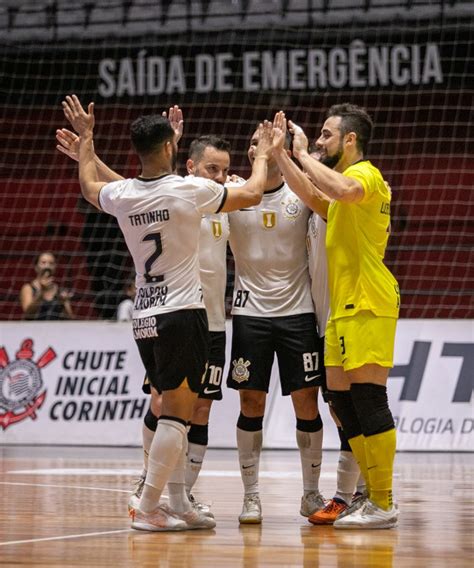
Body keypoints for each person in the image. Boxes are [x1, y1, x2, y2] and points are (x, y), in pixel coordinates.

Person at [63, 94, 273, 532]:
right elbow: (253, 192)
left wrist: (86, 140)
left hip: (143, 316)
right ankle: (149, 506)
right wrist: (265, 156)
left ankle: (174, 502)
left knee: (172, 406)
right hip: (182, 313)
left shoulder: (122, 194)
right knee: (179, 411)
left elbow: (88, 186)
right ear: (172, 150)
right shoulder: (188, 189)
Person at [57, 126, 232, 515]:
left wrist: (90, 157)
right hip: (181, 313)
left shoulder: (210, 196)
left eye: (224, 170)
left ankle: (180, 495)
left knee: (197, 410)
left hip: (210, 319)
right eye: (212, 169)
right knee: (165, 404)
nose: (219, 177)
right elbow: (137, 192)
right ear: (188, 165)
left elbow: (129, 194)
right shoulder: (185, 192)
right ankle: (151, 488)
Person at [272, 104, 400, 529]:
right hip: (341, 307)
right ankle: (369, 496)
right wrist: (281, 157)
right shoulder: (342, 194)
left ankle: (383, 501)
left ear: (349, 140)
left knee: (369, 400)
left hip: (368, 301)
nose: (320, 140)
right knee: (343, 403)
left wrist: (305, 155)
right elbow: (313, 196)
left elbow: (342, 190)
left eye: (327, 134)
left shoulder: (366, 175)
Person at [226, 123, 326, 524]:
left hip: (298, 312)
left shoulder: (298, 194)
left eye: (265, 141)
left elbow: (326, 202)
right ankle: (251, 497)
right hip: (250, 314)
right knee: (251, 402)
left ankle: (311, 494)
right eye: (252, 141)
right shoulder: (234, 194)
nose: (257, 147)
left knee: (307, 402)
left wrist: (299, 153)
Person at [20, 251, 74, 320]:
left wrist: (63, 302)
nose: (47, 266)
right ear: (36, 267)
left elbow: (70, 318)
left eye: (51, 263)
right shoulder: (28, 288)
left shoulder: (59, 290)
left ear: (55, 267)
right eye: (43, 263)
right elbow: (28, 313)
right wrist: (42, 292)